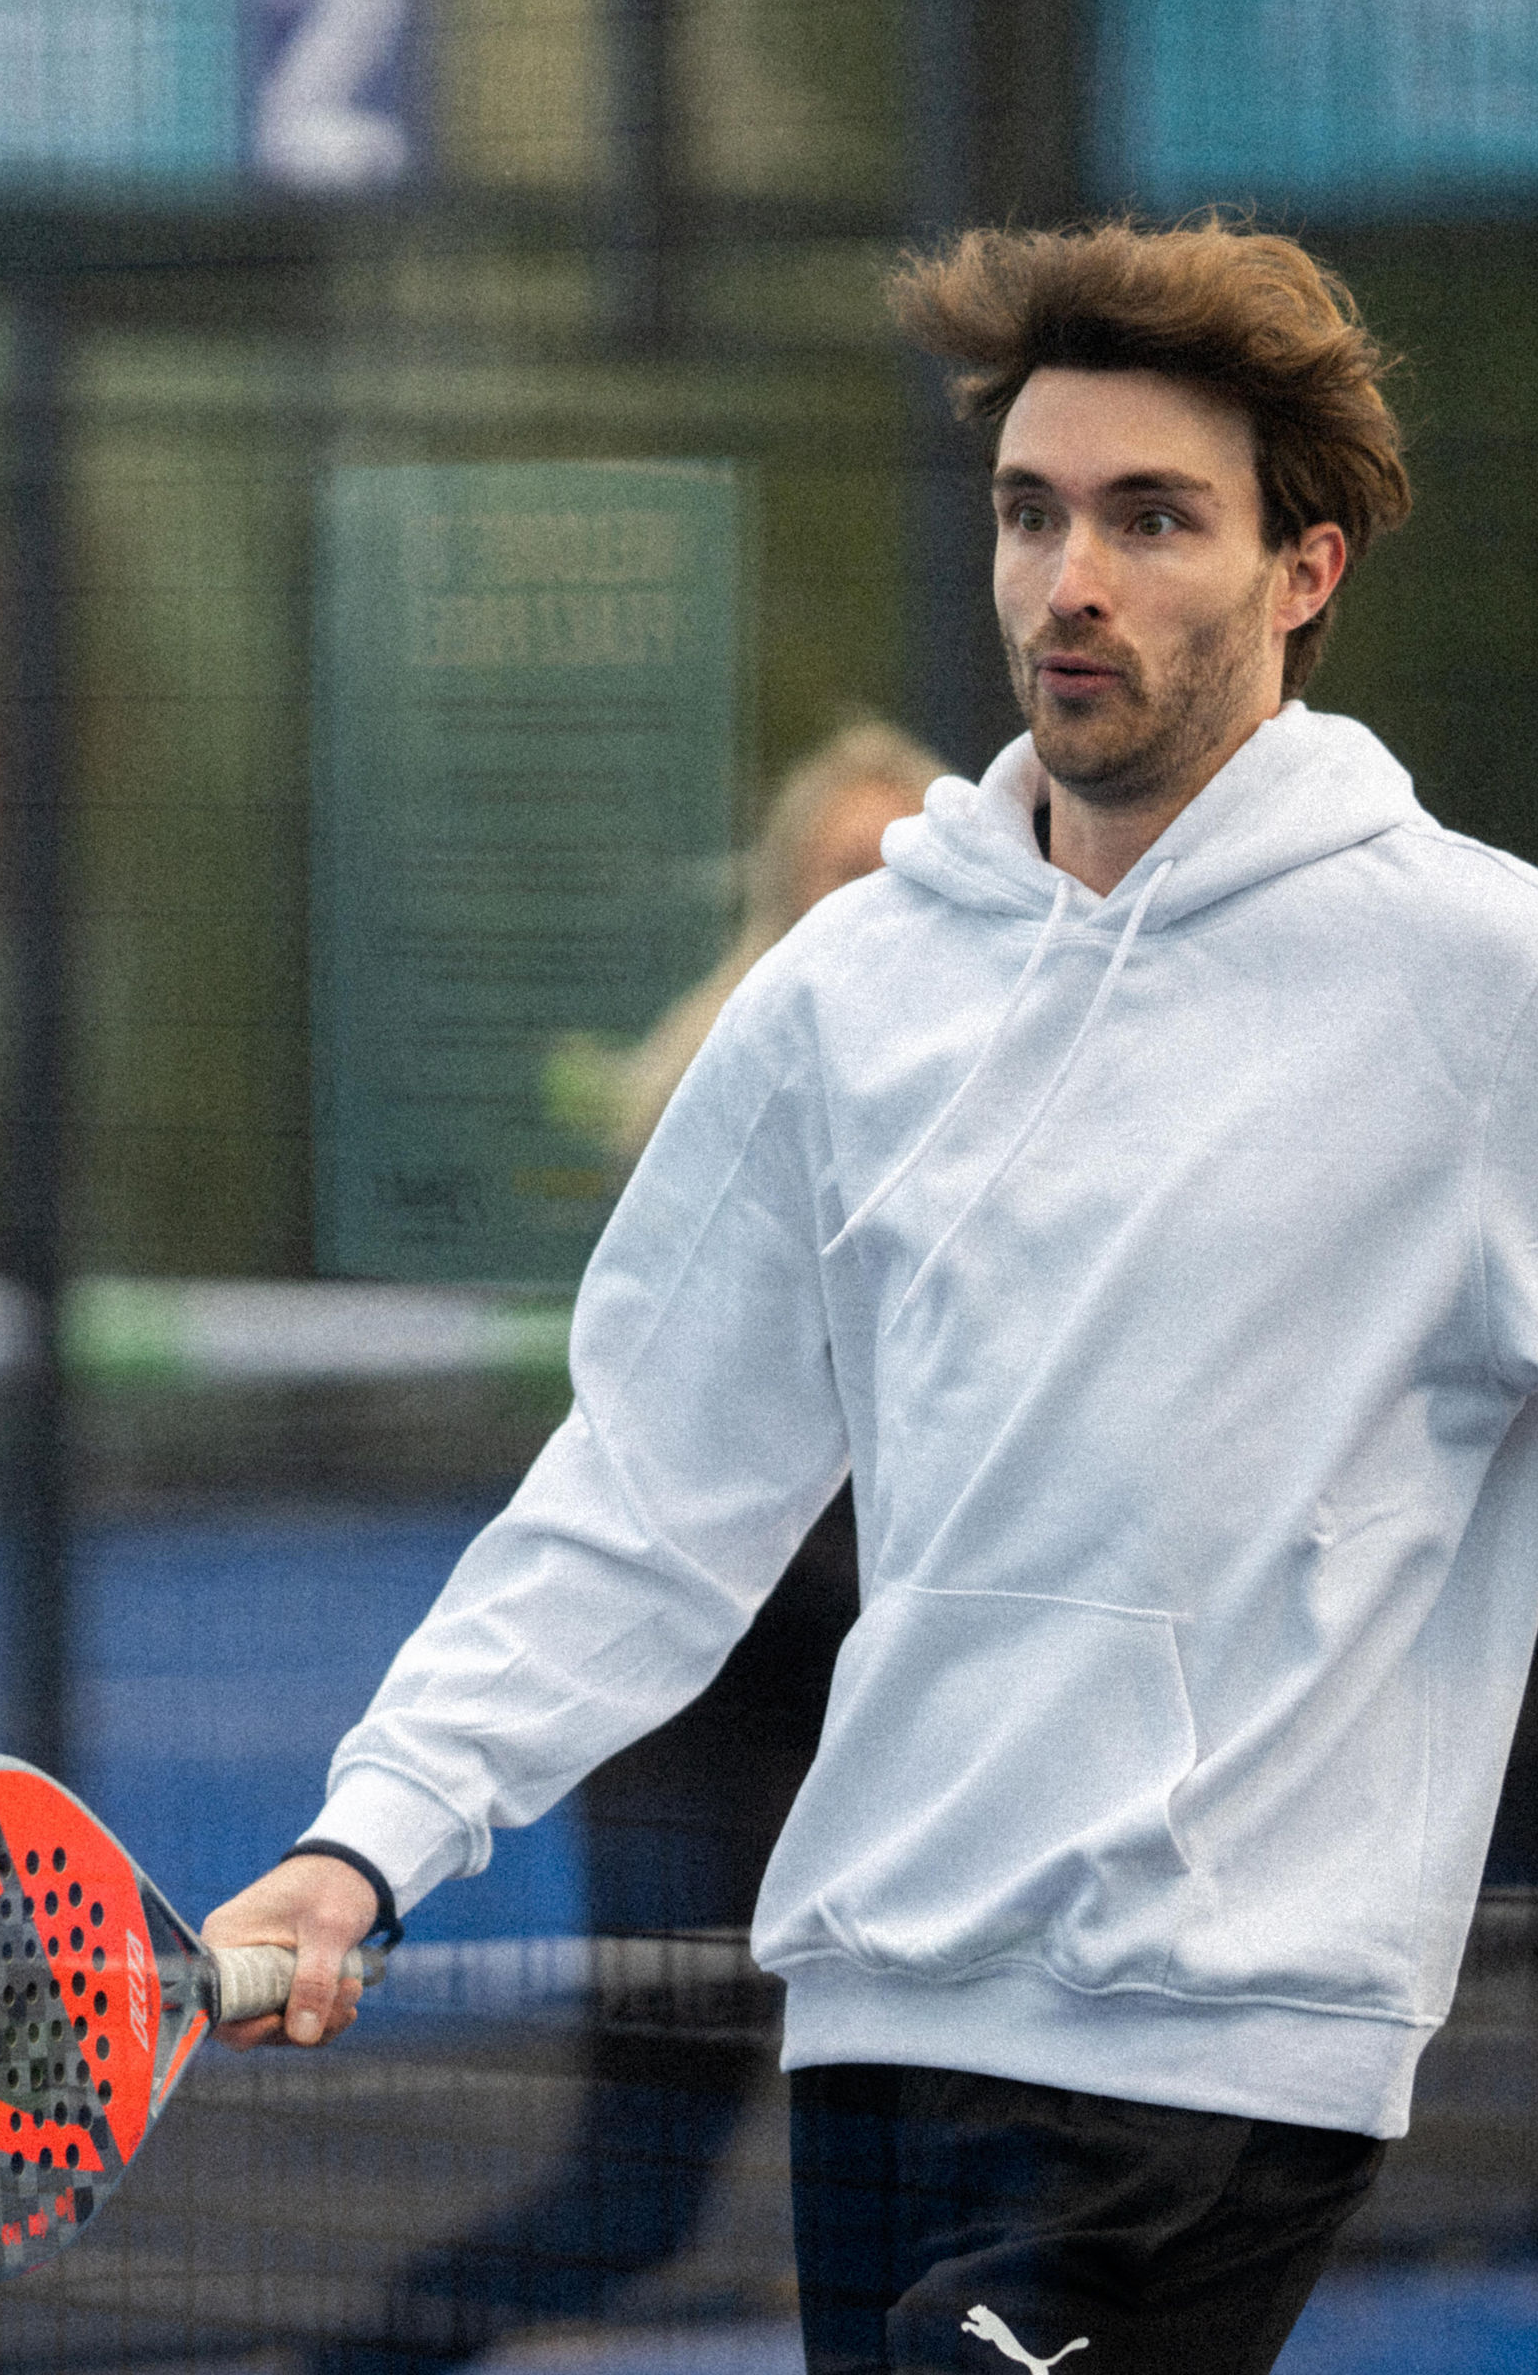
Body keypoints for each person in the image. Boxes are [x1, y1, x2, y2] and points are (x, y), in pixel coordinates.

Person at [210, 215, 1538, 2374]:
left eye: (1155, 520)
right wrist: (361, 1845)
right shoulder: (845, 996)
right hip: (879, 2018)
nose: (1076, 581)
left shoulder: (1489, 989)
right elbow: (651, 1493)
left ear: (1303, 569)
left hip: (1218, 2056)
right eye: (1035, 514)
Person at [325, 723, 941, 2375]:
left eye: (904, 876)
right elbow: (673, 1499)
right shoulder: (717, 1111)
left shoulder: (998, 1130)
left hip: (899, 1775)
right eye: (835, 878)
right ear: (776, 902)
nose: (869, 911)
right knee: (634, 2197)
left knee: (947, 2213)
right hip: (704, 1755)